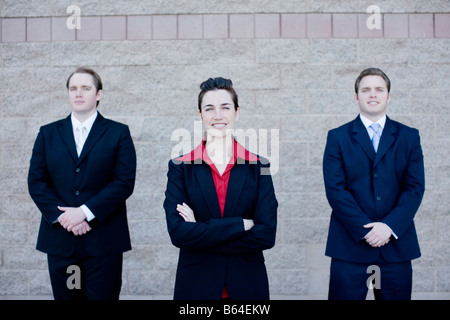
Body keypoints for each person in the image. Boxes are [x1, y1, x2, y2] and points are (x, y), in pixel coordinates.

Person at [163, 77, 278, 300]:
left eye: (225, 107)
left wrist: (200, 231)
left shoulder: (260, 166)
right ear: (200, 115)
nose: (217, 115)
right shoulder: (180, 167)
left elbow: (266, 235)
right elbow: (178, 233)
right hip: (197, 285)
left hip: (247, 285)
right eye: (209, 108)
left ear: (237, 112)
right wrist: (241, 224)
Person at [27, 67, 137, 300]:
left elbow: (124, 182)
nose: (78, 93)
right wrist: (67, 218)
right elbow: (36, 182)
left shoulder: (118, 133)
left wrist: (85, 213)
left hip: (103, 241)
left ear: (98, 94)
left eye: (86, 88)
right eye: (73, 88)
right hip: (61, 241)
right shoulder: (48, 134)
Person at [322, 67, 425, 300]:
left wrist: (388, 227)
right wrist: (365, 230)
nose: (373, 94)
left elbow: (414, 188)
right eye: (365, 89)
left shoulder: (409, 137)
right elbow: (336, 190)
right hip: (349, 246)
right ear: (356, 96)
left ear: (388, 96)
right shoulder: (338, 137)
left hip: (395, 248)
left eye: (379, 89)